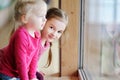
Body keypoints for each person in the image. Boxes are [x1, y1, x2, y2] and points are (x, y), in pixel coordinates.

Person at [0, 0, 47, 80]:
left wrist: (32, 76)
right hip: (7, 72)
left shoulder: (37, 34)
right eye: (40, 16)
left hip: (19, 71)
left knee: (39, 77)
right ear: (25, 18)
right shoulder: (21, 35)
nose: (44, 19)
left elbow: (34, 58)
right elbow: (21, 63)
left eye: (45, 16)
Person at [36, 7, 68, 80]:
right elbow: (24, 61)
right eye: (51, 27)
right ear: (43, 22)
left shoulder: (46, 43)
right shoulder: (35, 42)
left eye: (59, 32)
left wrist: (35, 69)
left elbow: (34, 59)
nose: (54, 34)